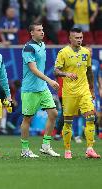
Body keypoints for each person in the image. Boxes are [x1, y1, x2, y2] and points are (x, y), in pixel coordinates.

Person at [54, 28, 101, 158]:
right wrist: (66, 73)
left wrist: (91, 89)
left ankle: (90, 149)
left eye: (81, 38)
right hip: (69, 92)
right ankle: (67, 150)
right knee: (68, 122)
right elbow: (56, 71)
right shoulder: (63, 53)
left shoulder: (86, 52)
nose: (80, 40)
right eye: (77, 38)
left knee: (91, 117)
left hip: (84, 90)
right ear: (70, 38)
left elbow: (90, 71)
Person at [20, 22, 60, 158]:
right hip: (30, 89)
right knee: (27, 119)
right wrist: (49, 80)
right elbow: (33, 69)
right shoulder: (28, 48)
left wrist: (46, 82)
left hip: (42, 88)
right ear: (32, 33)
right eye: (38, 30)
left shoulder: (42, 45)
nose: (42, 32)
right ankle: (25, 150)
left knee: (54, 114)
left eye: (42, 30)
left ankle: (46, 146)